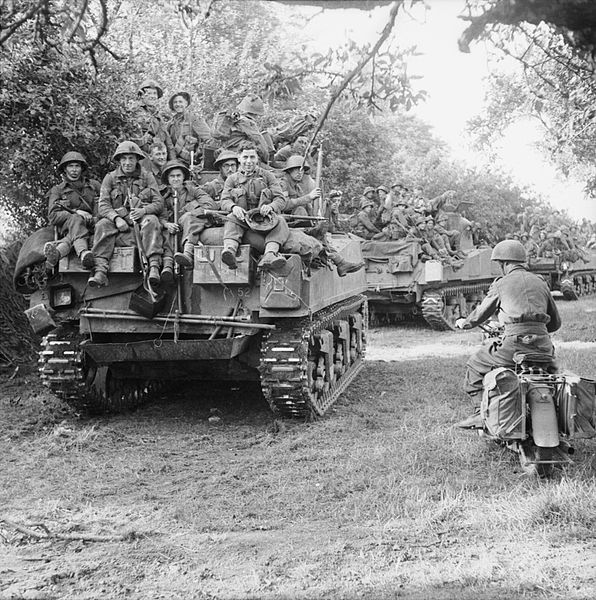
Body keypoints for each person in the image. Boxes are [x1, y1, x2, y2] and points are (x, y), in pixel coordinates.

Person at [454, 240, 561, 428]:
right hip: (543, 345)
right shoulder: (541, 282)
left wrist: (466, 323)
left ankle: (481, 414)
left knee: (474, 366)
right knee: (554, 375)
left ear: (504, 263)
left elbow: (480, 314)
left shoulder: (501, 284)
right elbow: (555, 323)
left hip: (513, 346)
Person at [88, 141, 164, 288]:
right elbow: (103, 205)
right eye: (124, 159)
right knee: (102, 225)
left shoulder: (147, 177)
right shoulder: (110, 178)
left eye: (131, 158)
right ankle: (100, 270)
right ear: (119, 160)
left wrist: (144, 211)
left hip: (141, 218)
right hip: (118, 219)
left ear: (137, 160)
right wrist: (116, 219)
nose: (127, 163)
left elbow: (159, 203)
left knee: (152, 221)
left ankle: (154, 266)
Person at [219, 141, 290, 270]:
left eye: (252, 157)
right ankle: (229, 251)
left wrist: (271, 207)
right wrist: (234, 207)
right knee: (230, 218)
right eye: (245, 157)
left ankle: (270, 254)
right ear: (239, 158)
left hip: (265, 220)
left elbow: (281, 199)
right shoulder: (232, 179)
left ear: (257, 159)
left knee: (281, 221)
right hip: (243, 220)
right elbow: (224, 200)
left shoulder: (268, 176)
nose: (249, 161)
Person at [156, 161, 218, 277]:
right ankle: (168, 265)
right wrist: (167, 224)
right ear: (168, 179)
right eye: (172, 176)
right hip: (175, 234)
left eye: (178, 176)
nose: (175, 179)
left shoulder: (194, 190)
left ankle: (188, 253)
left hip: (194, 228)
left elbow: (211, 206)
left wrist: (188, 212)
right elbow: (161, 216)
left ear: (183, 177)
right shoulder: (164, 197)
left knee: (188, 217)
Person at [44, 151, 100, 269]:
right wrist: (76, 212)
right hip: (67, 226)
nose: (74, 170)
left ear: (81, 168)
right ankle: (83, 252)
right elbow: (53, 216)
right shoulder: (58, 190)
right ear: (65, 169)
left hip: (92, 224)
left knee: (76, 230)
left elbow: (105, 204)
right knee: (75, 219)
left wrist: (96, 218)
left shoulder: (94, 186)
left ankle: (59, 252)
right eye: (70, 166)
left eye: (77, 166)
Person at [211, 94, 271, 164]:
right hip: (240, 156)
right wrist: (266, 159)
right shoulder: (247, 122)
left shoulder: (234, 119)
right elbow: (259, 142)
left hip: (224, 154)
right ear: (256, 113)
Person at [130, 79, 175, 160]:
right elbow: (133, 140)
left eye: (155, 93)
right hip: (142, 157)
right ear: (142, 95)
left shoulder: (158, 116)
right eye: (149, 93)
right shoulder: (134, 113)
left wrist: (173, 161)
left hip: (159, 157)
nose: (152, 96)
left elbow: (168, 142)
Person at [167, 91, 211, 168]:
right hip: (175, 160)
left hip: (192, 161)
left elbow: (208, 138)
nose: (177, 104)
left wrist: (199, 153)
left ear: (186, 103)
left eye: (180, 102)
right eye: (175, 102)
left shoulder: (194, 119)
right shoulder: (171, 123)